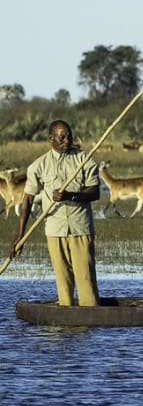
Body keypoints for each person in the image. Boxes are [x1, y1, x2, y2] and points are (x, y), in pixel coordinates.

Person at [9, 120, 100, 306]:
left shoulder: (84, 159)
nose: (67, 141)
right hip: (54, 230)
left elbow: (95, 192)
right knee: (63, 282)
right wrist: (20, 235)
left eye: (69, 136)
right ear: (51, 139)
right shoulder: (39, 166)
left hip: (80, 229)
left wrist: (70, 195)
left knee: (86, 281)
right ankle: (65, 323)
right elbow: (27, 199)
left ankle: (89, 325)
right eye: (62, 137)